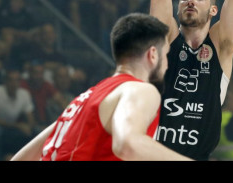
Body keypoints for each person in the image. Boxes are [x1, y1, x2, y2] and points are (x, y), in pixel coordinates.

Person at [10, 12, 192, 161]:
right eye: (166, 55)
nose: (167, 64)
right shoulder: (139, 89)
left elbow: (20, 158)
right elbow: (127, 145)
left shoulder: (82, 101)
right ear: (152, 54)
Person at [149, 0, 233, 160]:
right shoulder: (167, 39)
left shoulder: (220, 46)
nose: (190, 0)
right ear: (177, 7)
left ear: (214, 10)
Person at [0, 67, 34, 160]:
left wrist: (28, 127)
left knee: (36, 131)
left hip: (11, 127)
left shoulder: (24, 94)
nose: (14, 83)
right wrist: (18, 126)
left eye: (16, 80)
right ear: (5, 81)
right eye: (11, 80)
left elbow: (31, 120)